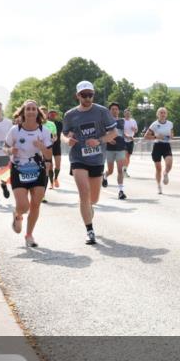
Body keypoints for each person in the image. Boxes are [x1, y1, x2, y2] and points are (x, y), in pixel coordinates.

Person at [62, 81, 118, 245]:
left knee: (93, 199)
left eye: (90, 94)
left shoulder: (101, 111)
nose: (87, 98)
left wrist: (99, 141)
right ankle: (90, 230)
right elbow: (63, 134)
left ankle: (89, 207)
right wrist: (67, 140)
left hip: (97, 158)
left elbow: (114, 132)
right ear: (78, 95)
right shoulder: (70, 115)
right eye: (84, 95)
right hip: (78, 157)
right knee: (83, 193)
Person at [5, 100, 52, 248]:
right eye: (28, 109)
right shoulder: (15, 130)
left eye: (33, 109)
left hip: (38, 169)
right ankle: (17, 214)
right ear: (23, 112)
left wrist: (41, 146)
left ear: (38, 112)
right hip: (19, 169)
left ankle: (29, 235)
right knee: (24, 206)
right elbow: (4, 148)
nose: (31, 111)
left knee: (36, 205)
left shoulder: (44, 131)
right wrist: (10, 151)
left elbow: (49, 153)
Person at [144, 107, 174, 194]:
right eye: (161, 113)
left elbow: (172, 134)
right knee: (158, 168)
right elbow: (146, 137)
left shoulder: (170, 124)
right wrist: (156, 137)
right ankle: (159, 186)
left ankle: (166, 173)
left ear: (166, 114)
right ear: (158, 114)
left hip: (166, 146)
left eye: (164, 113)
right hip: (157, 146)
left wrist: (170, 136)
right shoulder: (154, 124)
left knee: (169, 164)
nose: (163, 114)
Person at [104, 102, 128, 200]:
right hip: (109, 148)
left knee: (120, 170)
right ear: (109, 111)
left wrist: (128, 136)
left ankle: (121, 191)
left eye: (116, 109)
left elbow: (121, 133)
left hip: (120, 148)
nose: (115, 111)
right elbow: (102, 133)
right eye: (112, 109)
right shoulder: (105, 121)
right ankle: (104, 176)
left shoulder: (122, 121)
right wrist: (109, 139)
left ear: (118, 111)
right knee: (110, 170)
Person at [122, 108, 138, 177]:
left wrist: (134, 129)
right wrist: (127, 136)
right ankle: (122, 169)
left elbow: (136, 130)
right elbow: (120, 131)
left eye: (129, 113)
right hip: (123, 140)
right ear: (124, 114)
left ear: (130, 114)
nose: (128, 114)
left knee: (128, 157)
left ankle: (124, 170)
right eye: (126, 113)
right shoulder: (122, 121)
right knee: (125, 155)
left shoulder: (133, 121)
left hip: (131, 140)